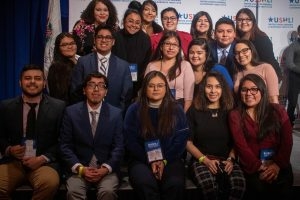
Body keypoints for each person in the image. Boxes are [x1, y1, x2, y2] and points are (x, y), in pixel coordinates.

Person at [0, 64, 65, 200]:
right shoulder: (6, 107)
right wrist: (9, 149)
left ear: (44, 83)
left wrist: (42, 158)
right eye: (27, 78)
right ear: (20, 82)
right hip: (13, 162)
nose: (32, 82)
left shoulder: (58, 107)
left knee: (49, 183)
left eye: (38, 78)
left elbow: (64, 140)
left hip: (44, 163)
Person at [124, 71, 190, 200]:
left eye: (160, 85)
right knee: (145, 184)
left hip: (170, 159)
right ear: (144, 88)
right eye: (151, 85)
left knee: (174, 184)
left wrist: (164, 160)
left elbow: (181, 140)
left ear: (166, 88)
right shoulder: (133, 109)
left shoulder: (176, 109)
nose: (155, 89)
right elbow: (130, 141)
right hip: (141, 159)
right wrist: (150, 160)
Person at [229, 74, 294, 200]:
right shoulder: (235, 115)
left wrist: (277, 165)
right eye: (244, 90)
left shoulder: (278, 110)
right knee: (259, 190)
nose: (249, 93)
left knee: (284, 189)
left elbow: (287, 141)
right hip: (252, 166)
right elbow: (241, 146)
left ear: (262, 90)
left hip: (279, 163)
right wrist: (259, 166)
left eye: (254, 89)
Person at [60, 72, 124, 200]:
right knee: (73, 192)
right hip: (80, 169)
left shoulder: (116, 114)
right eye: (91, 85)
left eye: (101, 86)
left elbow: (119, 147)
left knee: (107, 191)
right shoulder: (71, 112)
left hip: (106, 170)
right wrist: (80, 169)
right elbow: (64, 146)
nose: (96, 89)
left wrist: (106, 168)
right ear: (84, 90)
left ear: (106, 92)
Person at [186, 72, 245, 200]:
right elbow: (187, 142)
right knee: (209, 187)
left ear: (223, 89)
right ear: (203, 89)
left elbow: (238, 140)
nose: (213, 91)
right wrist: (205, 160)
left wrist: (231, 159)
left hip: (227, 160)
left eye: (218, 87)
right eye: (209, 86)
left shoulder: (231, 110)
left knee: (238, 185)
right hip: (201, 160)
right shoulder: (194, 110)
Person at [70, 25, 133, 112]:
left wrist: (118, 114)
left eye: (108, 37)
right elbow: (76, 91)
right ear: (94, 40)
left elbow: (126, 95)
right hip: (87, 113)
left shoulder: (123, 66)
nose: (104, 40)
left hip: (114, 115)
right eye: (100, 37)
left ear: (113, 41)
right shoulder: (83, 62)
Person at [145, 31, 195, 112]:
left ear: (179, 48)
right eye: (167, 44)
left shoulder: (185, 65)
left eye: (175, 45)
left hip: (178, 108)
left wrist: (183, 116)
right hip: (154, 108)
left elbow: (188, 99)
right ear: (161, 46)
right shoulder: (151, 66)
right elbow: (145, 92)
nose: (171, 48)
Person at [112, 8, 151, 101]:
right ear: (124, 21)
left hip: (137, 87)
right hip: (116, 83)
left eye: (137, 22)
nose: (134, 25)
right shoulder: (115, 37)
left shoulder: (145, 39)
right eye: (130, 21)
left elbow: (147, 63)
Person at [235, 8, 282, 81]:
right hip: (249, 79)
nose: (244, 22)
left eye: (248, 19)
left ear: (253, 22)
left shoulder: (262, 39)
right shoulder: (235, 40)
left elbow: (269, 63)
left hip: (267, 78)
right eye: (240, 20)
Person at [233, 39, 279, 103]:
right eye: (237, 53)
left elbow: (273, 99)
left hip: (264, 111)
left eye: (244, 51)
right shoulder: (237, 74)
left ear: (252, 51)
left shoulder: (266, 68)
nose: (240, 55)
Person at [47, 32, 79, 105]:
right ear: (58, 48)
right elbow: (59, 96)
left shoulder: (83, 61)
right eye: (64, 45)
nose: (70, 47)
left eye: (72, 43)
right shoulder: (56, 68)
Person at [286, 25, 300, 125]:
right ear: (299, 33)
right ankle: (288, 124)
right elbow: (289, 64)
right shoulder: (293, 46)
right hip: (295, 77)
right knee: (293, 102)